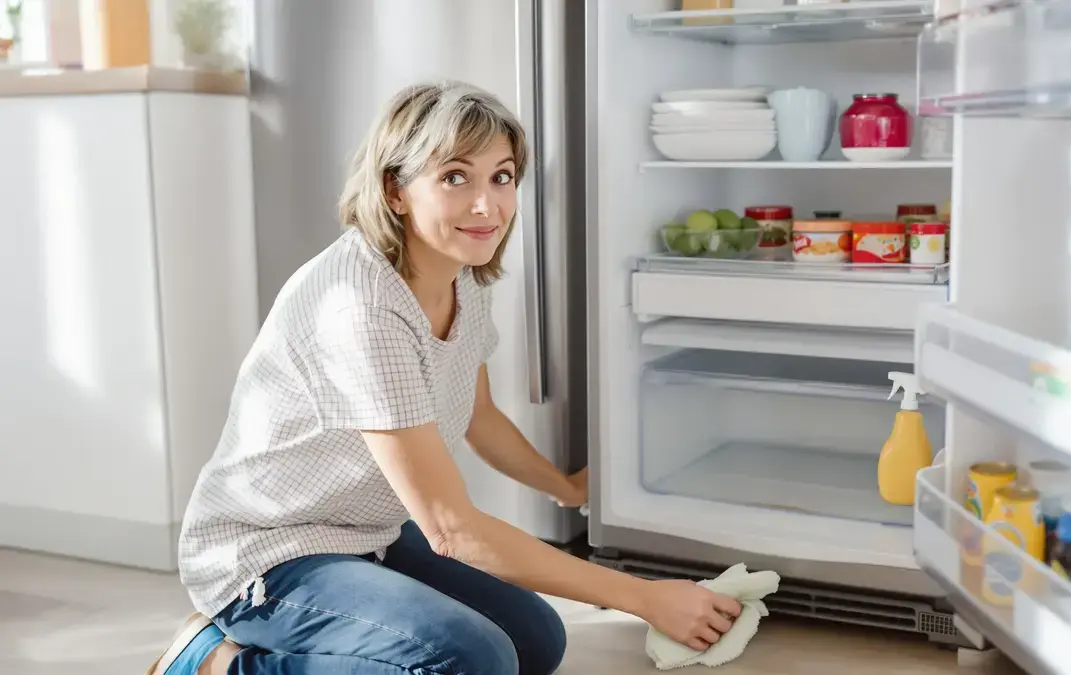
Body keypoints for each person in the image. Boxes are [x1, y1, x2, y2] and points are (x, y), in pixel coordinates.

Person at [148, 80, 741, 675]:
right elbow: (452, 529)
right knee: (472, 660)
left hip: (365, 531)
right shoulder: (360, 307)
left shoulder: (460, 276)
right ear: (395, 191)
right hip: (266, 552)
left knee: (536, 641)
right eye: (455, 177)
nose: (488, 206)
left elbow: (478, 417)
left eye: (502, 177)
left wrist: (566, 490)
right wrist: (644, 597)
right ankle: (216, 664)